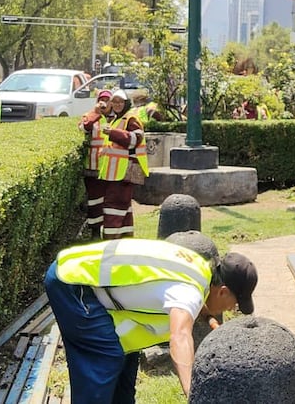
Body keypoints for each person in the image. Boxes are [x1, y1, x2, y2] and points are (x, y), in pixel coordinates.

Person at [44, 239, 258, 403]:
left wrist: (203, 311)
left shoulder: (199, 269)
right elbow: (180, 338)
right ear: (223, 291)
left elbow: (173, 289)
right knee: (104, 358)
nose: (231, 309)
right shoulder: (189, 294)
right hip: (72, 282)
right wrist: (193, 394)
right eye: (235, 303)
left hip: (83, 276)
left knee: (125, 362)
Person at [96, 89, 147, 238]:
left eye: (120, 102)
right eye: (115, 102)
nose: (117, 105)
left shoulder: (130, 119)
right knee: (123, 207)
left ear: (126, 103)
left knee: (114, 206)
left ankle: (110, 241)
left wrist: (112, 133)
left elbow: (134, 140)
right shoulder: (117, 119)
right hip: (117, 173)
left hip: (125, 172)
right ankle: (125, 238)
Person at [79, 89, 114, 240]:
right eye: (102, 100)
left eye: (107, 100)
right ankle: (95, 232)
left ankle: (109, 232)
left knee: (110, 202)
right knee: (94, 201)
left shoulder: (117, 118)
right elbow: (83, 127)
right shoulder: (90, 115)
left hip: (112, 168)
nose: (104, 103)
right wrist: (96, 114)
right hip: (93, 168)